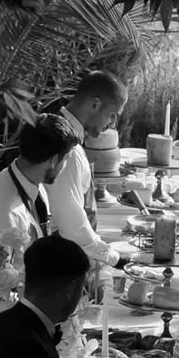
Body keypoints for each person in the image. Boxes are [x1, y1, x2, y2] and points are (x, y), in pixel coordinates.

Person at [47, 68, 132, 267]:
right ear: (95, 104)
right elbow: (71, 225)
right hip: (61, 263)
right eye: (112, 115)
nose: (112, 124)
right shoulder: (69, 150)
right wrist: (113, 258)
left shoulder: (61, 130)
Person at [0, 115, 76, 256]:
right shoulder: (5, 214)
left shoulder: (31, 182)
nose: (65, 167)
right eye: (67, 159)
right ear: (54, 160)